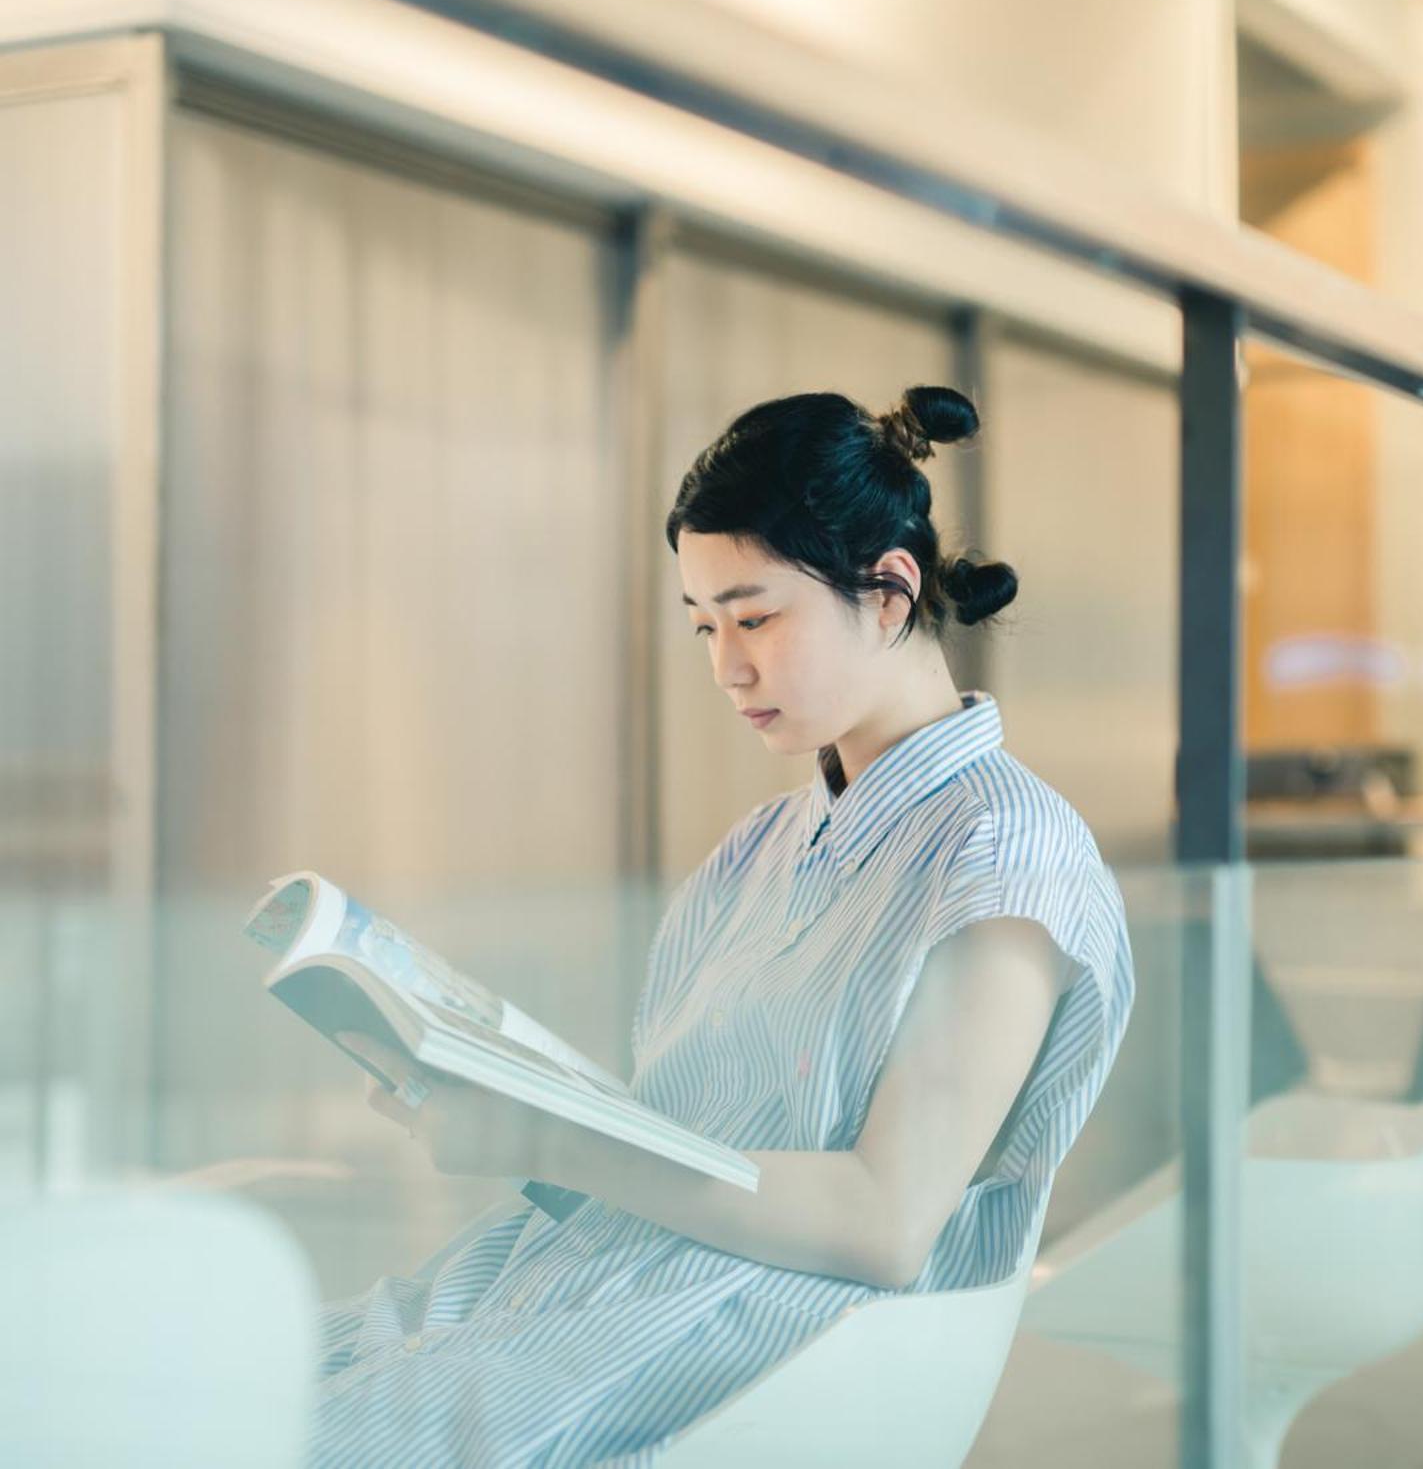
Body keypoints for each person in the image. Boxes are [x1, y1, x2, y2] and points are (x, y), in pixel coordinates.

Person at [308, 385, 1137, 1466]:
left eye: (755, 618)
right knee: (208, 1378)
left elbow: (884, 1222)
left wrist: (549, 1137)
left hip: (755, 1345)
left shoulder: (1008, 851)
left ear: (888, 594)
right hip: (588, 1283)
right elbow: (682, 1131)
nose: (726, 667)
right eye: (703, 626)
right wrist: (492, 1100)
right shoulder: (754, 850)